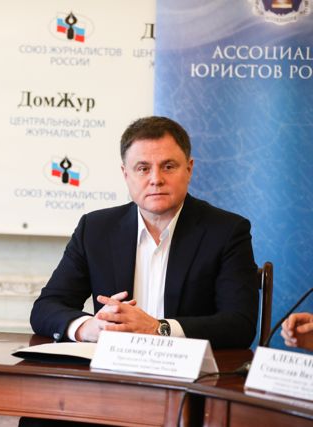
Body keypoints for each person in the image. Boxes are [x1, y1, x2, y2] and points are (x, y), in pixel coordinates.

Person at [30, 116, 258, 350]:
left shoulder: (227, 231)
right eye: (143, 168)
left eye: (168, 166)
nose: (156, 179)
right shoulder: (96, 229)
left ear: (189, 169)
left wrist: (159, 328)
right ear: (125, 174)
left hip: (189, 368)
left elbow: (240, 325)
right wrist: (88, 327)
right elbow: (46, 308)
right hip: (112, 366)